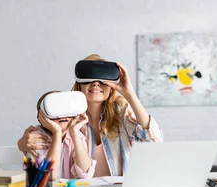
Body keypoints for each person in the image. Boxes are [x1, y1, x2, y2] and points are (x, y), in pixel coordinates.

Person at [18, 54, 164, 177]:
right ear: (79, 85)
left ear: (111, 86)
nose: (95, 84)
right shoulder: (68, 116)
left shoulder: (121, 110)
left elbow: (154, 141)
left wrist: (129, 93)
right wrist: (23, 143)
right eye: (89, 79)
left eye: (102, 80)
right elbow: (48, 142)